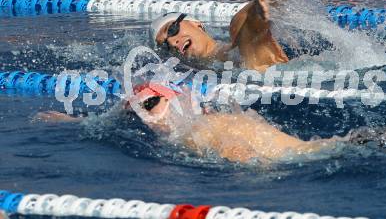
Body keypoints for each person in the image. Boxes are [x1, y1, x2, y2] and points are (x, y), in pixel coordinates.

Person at [36, 81, 353, 164]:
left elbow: (239, 155)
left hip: (325, 156)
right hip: (334, 149)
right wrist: (72, 121)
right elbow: (113, 117)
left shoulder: (199, 128)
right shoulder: (199, 120)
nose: (145, 117)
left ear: (174, 101)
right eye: (135, 113)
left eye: (150, 104)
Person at [151, 0, 296, 72]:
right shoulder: (202, 72)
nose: (171, 42)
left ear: (196, 24)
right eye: (165, 45)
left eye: (171, 30)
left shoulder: (238, 41)